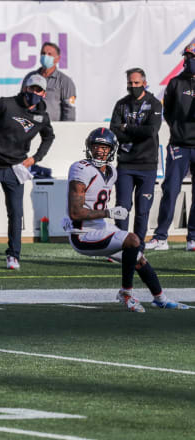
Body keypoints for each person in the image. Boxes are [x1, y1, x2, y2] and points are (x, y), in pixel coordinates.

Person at [64, 128, 188, 312]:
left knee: (138, 256)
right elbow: (75, 213)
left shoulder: (112, 172)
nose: (99, 151)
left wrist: (107, 216)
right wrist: (109, 213)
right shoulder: (81, 169)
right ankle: (126, 292)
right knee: (132, 239)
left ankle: (160, 298)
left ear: (112, 150)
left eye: (104, 147)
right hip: (82, 234)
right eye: (96, 146)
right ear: (89, 147)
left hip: (100, 227)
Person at [0, 74, 55, 270]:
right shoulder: (6, 104)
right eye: (31, 88)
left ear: (43, 93)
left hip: (16, 169)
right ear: (25, 88)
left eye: (38, 90)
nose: (34, 93)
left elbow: (49, 137)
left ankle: (13, 255)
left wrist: (34, 159)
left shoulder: (42, 116)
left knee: (16, 214)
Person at [145, 43, 195, 252]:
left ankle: (192, 237)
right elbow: (169, 113)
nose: (189, 60)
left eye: (192, 57)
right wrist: (179, 130)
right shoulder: (175, 83)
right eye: (188, 57)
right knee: (171, 190)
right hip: (180, 145)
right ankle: (161, 236)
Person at [109, 68, 162, 250]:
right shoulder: (121, 104)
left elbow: (151, 131)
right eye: (130, 83)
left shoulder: (154, 104)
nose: (133, 86)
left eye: (136, 83)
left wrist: (127, 127)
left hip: (148, 165)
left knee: (143, 210)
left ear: (144, 83)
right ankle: (120, 246)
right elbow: (114, 132)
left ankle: (137, 249)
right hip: (125, 164)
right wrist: (131, 131)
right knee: (122, 208)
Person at [22, 42, 76, 122]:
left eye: (49, 54)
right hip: (30, 127)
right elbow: (21, 101)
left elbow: (69, 110)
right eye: (43, 53)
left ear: (57, 58)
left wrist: (66, 130)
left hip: (52, 129)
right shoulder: (30, 77)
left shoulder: (65, 81)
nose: (45, 56)